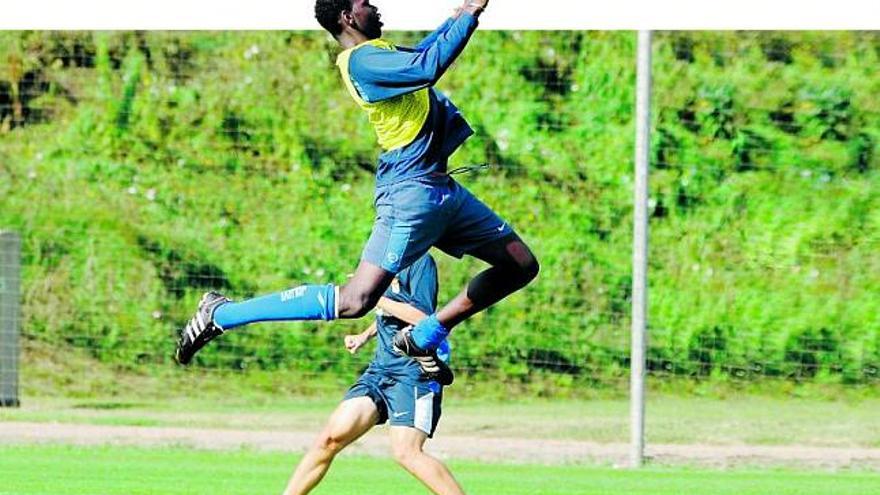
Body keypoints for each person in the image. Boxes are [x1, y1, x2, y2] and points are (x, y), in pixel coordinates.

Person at [175, 0, 538, 366]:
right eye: (366, 3)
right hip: (410, 194)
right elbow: (427, 66)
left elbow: (424, 52)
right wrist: (473, 12)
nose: (376, 6)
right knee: (355, 300)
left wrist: (457, 16)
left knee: (520, 265)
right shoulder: (362, 61)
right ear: (348, 17)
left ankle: (424, 336)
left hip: (440, 189)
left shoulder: (376, 54)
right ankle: (221, 314)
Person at [282, 254, 464, 495]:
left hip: (414, 372)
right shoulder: (383, 258)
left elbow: (423, 319)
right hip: (380, 370)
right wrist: (364, 336)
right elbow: (388, 309)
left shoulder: (421, 263)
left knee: (406, 452)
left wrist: (376, 298)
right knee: (328, 439)